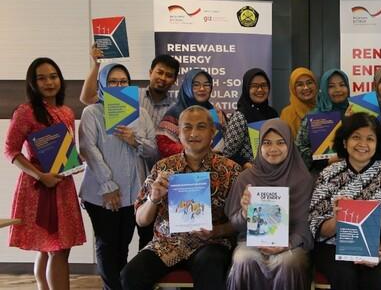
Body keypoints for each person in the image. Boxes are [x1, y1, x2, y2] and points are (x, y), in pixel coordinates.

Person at [120, 105, 242, 290]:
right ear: (178, 133)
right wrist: (154, 199)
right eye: (187, 127)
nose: (193, 133)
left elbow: (240, 221)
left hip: (210, 244)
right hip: (166, 244)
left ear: (212, 132)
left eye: (201, 127)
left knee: (211, 265)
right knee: (130, 275)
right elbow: (141, 220)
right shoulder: (163, 168)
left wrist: (216, 231)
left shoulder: (230, 170)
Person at [4, 58, 87, 290]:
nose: (49, 82)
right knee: (56, 248)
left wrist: (77, 161)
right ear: (33, 83)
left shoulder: (66, 112)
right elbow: (10, 151)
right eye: (41, 78)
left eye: (53, 76)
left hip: (63, 184)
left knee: (51, 248)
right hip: (39, 187)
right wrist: (41, 176)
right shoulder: (25, 112)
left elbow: (67, 149)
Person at [78, 63, 157, 290]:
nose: (118, 85)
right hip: (102, 194)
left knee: (123, 246)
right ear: (103, 85)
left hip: (133, 194)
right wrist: (108, 185)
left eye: (123, 81)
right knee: (106, 245)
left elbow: (153, 151)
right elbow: (88, 149)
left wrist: (135, 140)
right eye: (113, 82)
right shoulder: (92, 112)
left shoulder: (141, 114)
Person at [309, 113, 381, 290]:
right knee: (345, 276)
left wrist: (380, 253)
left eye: (370, 139)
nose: (363, 144)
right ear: (345, 142)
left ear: (377, 144)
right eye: (356, 137)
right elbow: (316, 224)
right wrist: (336, 220)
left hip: (379, 245)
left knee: (378, 279)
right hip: (334, 246)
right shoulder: (328, 174)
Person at [225, 119, 313, 290]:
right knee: (243, 259)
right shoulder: (246, 178)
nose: (273, 148)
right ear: (259, 146)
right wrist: (244, 213)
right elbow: (235, 225)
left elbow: (306, 224)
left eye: (280, 142)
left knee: (288, 261)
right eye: (267, 143)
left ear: (290, 145)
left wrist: (287, 244)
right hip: (252, 242)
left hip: (291, 242)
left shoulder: (303, 179)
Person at [79, 46, 180, 127]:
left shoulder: (176, 109)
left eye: (169, 75)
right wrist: (96, 65)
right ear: (150, 72)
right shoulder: (129, 94)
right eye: (160, 72)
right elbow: (88, 99)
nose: (163, 78)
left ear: (174, 80)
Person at [157, 69, 226, 158]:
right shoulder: (174, 113)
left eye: (206, 85)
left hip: (214, 164)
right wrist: (197, 151)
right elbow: (164, 146)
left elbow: (223, 147)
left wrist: (222, 126)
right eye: (196, 85)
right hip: (182, 165)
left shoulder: (214, 112)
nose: (202, 89)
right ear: (187, 87)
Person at [295, 68, 350, 172]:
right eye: (331, 86)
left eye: (342, 85)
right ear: (324, 89)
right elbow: (300, 148)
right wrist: (325, 161)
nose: (338, 89)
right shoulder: (314, 116)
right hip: (322, 174)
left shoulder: (355, 111)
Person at [223, 68, 279, 168]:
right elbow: (228, 153)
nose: (260, 89)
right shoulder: (240, 116)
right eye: (254, 86)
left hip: (274, 170)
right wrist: (246, 164)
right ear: (246, 89)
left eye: (264, 85)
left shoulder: (273, 114)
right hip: (250, 173)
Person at [280, 67, 318, 137]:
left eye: (309, 83)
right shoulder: (287, 113)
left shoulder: (323, 108)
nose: (306, 87)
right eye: (300, 85)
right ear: (293, 89)